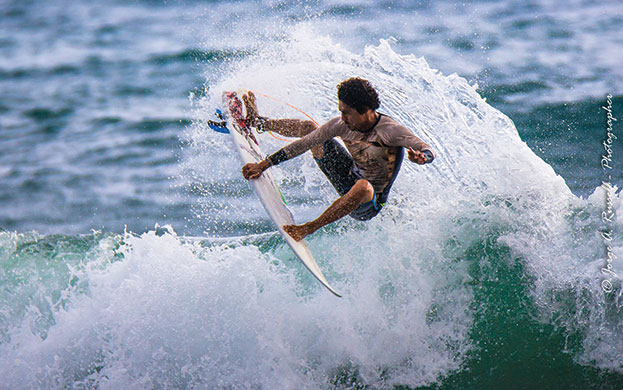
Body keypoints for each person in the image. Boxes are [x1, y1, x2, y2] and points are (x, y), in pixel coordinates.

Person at [241, 77, 435, 241]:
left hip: (368, 202)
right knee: (310, 128)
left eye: (347, 112)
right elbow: (304, 143)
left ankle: (308, 228)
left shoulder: (391, 131)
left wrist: (422, 158)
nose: (342, 118)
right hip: (346, 176)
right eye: (341, 111)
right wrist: (264, 165)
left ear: (366, 110)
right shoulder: (342, 125)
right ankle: (258, 123)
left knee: (363, 186)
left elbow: (428, 150)